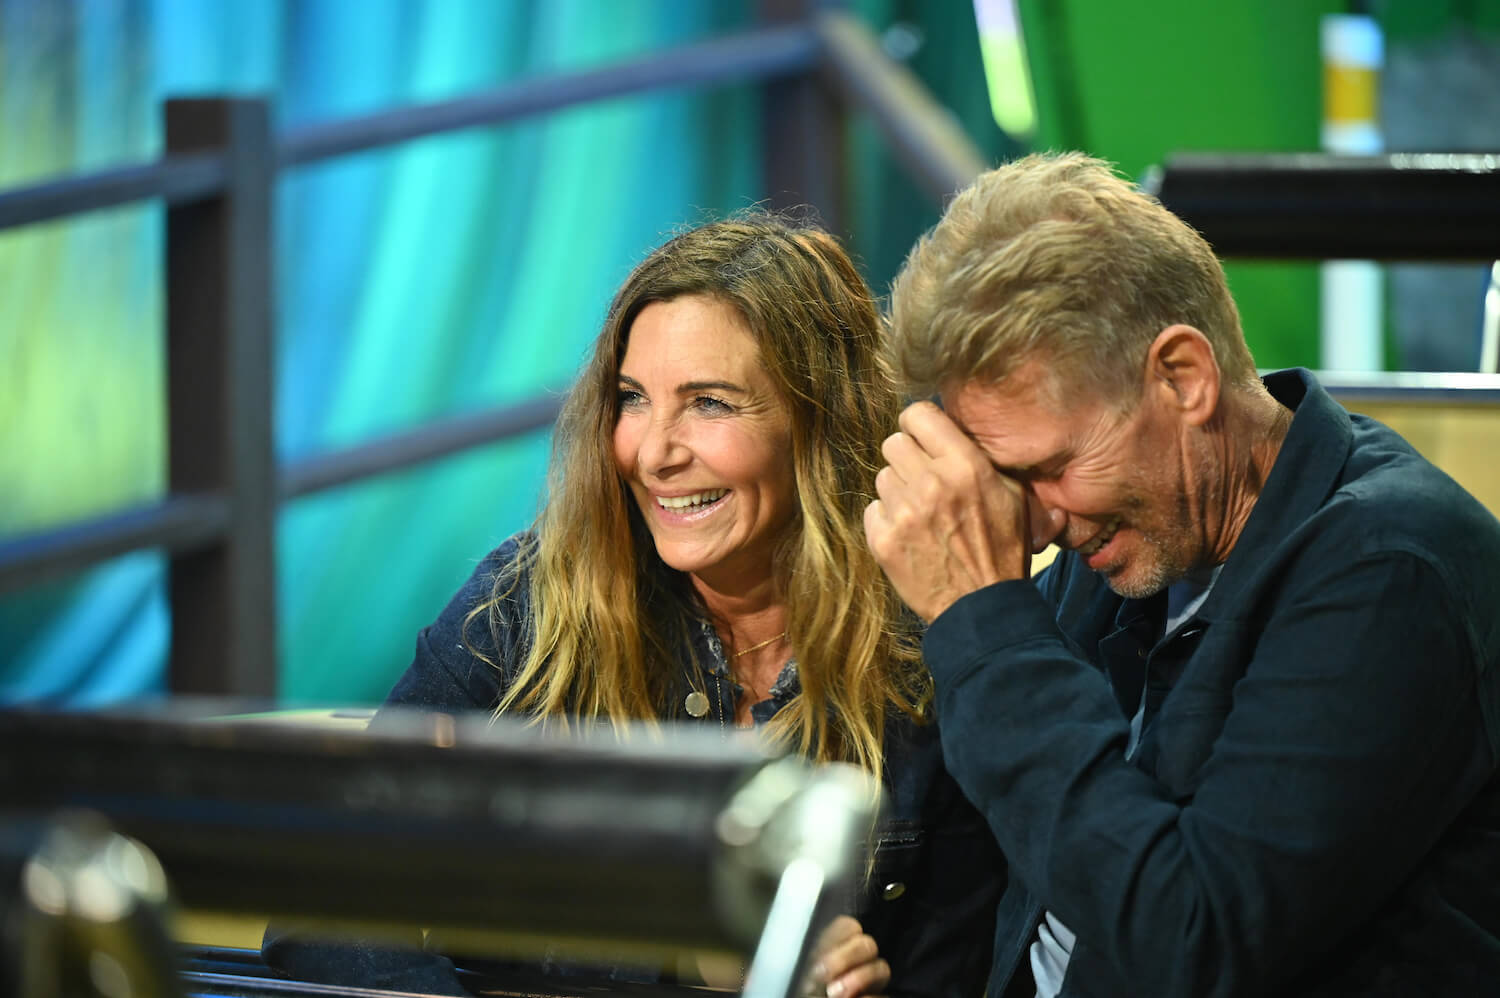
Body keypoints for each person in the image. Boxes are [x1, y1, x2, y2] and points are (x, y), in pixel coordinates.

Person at [263, 214, 1004, 997]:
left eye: (710, 404)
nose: (654, 453)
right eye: (633, 399)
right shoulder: (524, 610)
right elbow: (324, 898)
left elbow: (970, 968)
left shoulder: (929, 646)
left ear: (819, 420)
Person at [863, 151, 1500, 997]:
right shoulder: (1140, 534)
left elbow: (1191, 942)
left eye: (1051, 465)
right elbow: (1029, 864)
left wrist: (982, 617)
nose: (1042, 519)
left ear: (1183, 377)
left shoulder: (1389, 567)